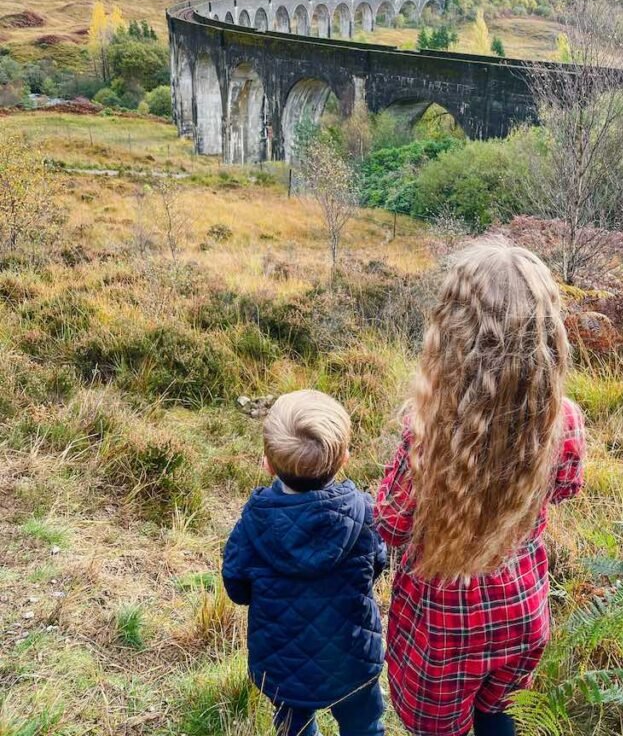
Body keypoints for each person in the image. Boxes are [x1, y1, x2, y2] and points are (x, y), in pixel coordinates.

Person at [375, 242, 586, 736]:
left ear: (451, 332)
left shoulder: (428, 431)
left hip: (443, 631)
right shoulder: (563, 420)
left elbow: (391, 522)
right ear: (546, 333)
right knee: (501, 718)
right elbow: (566, 487)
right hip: (522, 611)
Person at [223, 389, 387, 736]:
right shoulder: (364, 514)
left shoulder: (253, 523)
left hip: (283, 666)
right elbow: (377, 565)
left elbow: (237, 586)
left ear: (266, 463)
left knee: (294, 731)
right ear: (344, 459)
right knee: (365, 727)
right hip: (353, 658)